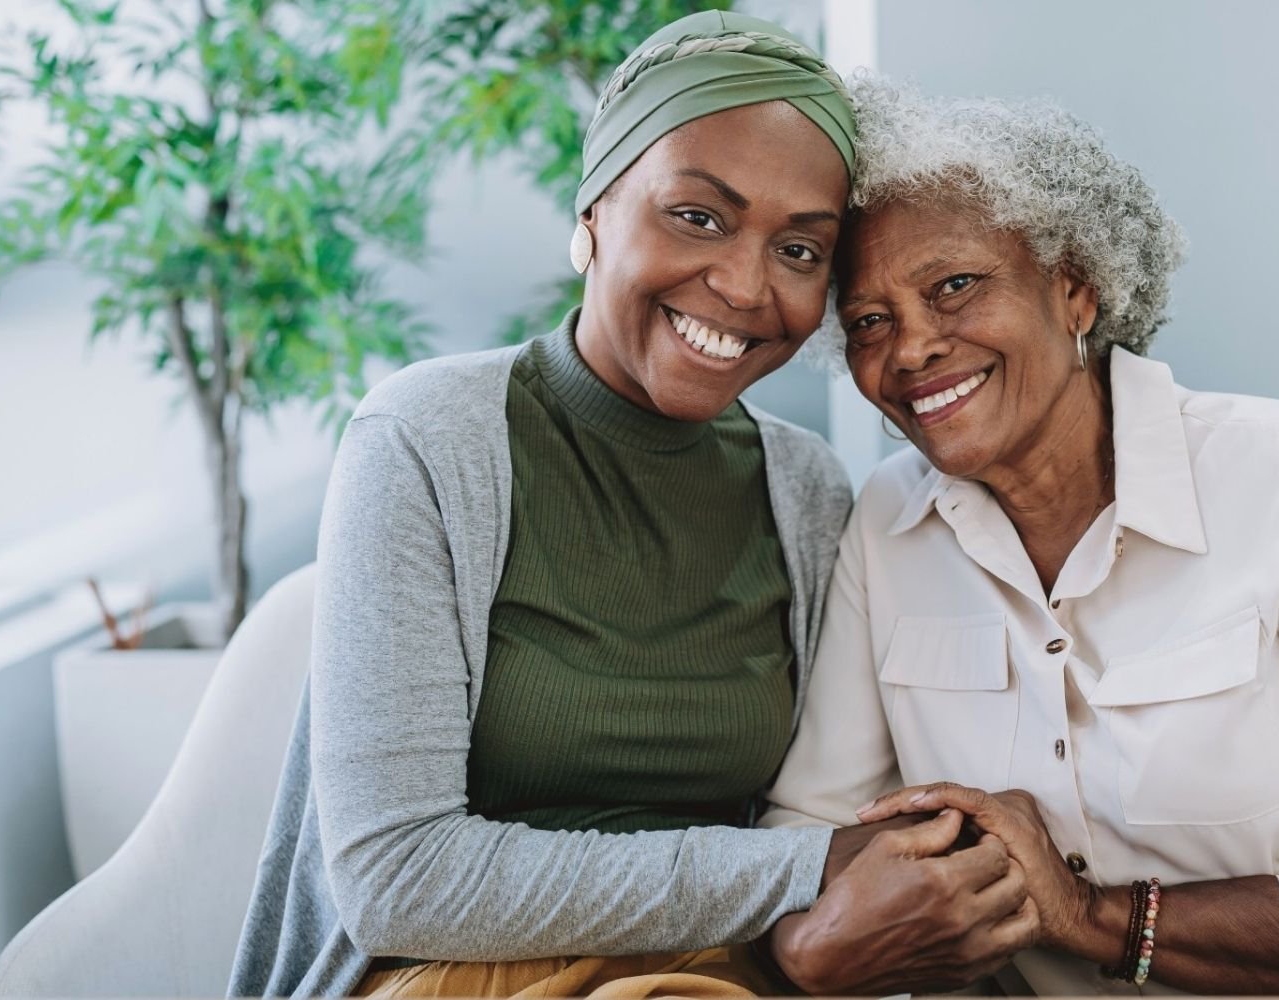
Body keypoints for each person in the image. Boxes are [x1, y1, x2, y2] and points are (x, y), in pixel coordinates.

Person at [229, 19, 1032, 998]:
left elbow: (833, 815)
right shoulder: (428, 437)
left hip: (717, 976)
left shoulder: (807, 490)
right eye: (698, 216)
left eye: (799, 249)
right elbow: (398, 881)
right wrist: (811, 865)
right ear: (596, 208)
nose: (744, 285)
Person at [765, 77, 1279, 998]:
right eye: (869, 323)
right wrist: (809, 946)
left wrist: (1089, 917)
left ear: (1076, 291)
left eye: (954, 286)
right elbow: (811, 837)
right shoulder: (888, 523)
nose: (911, 348)